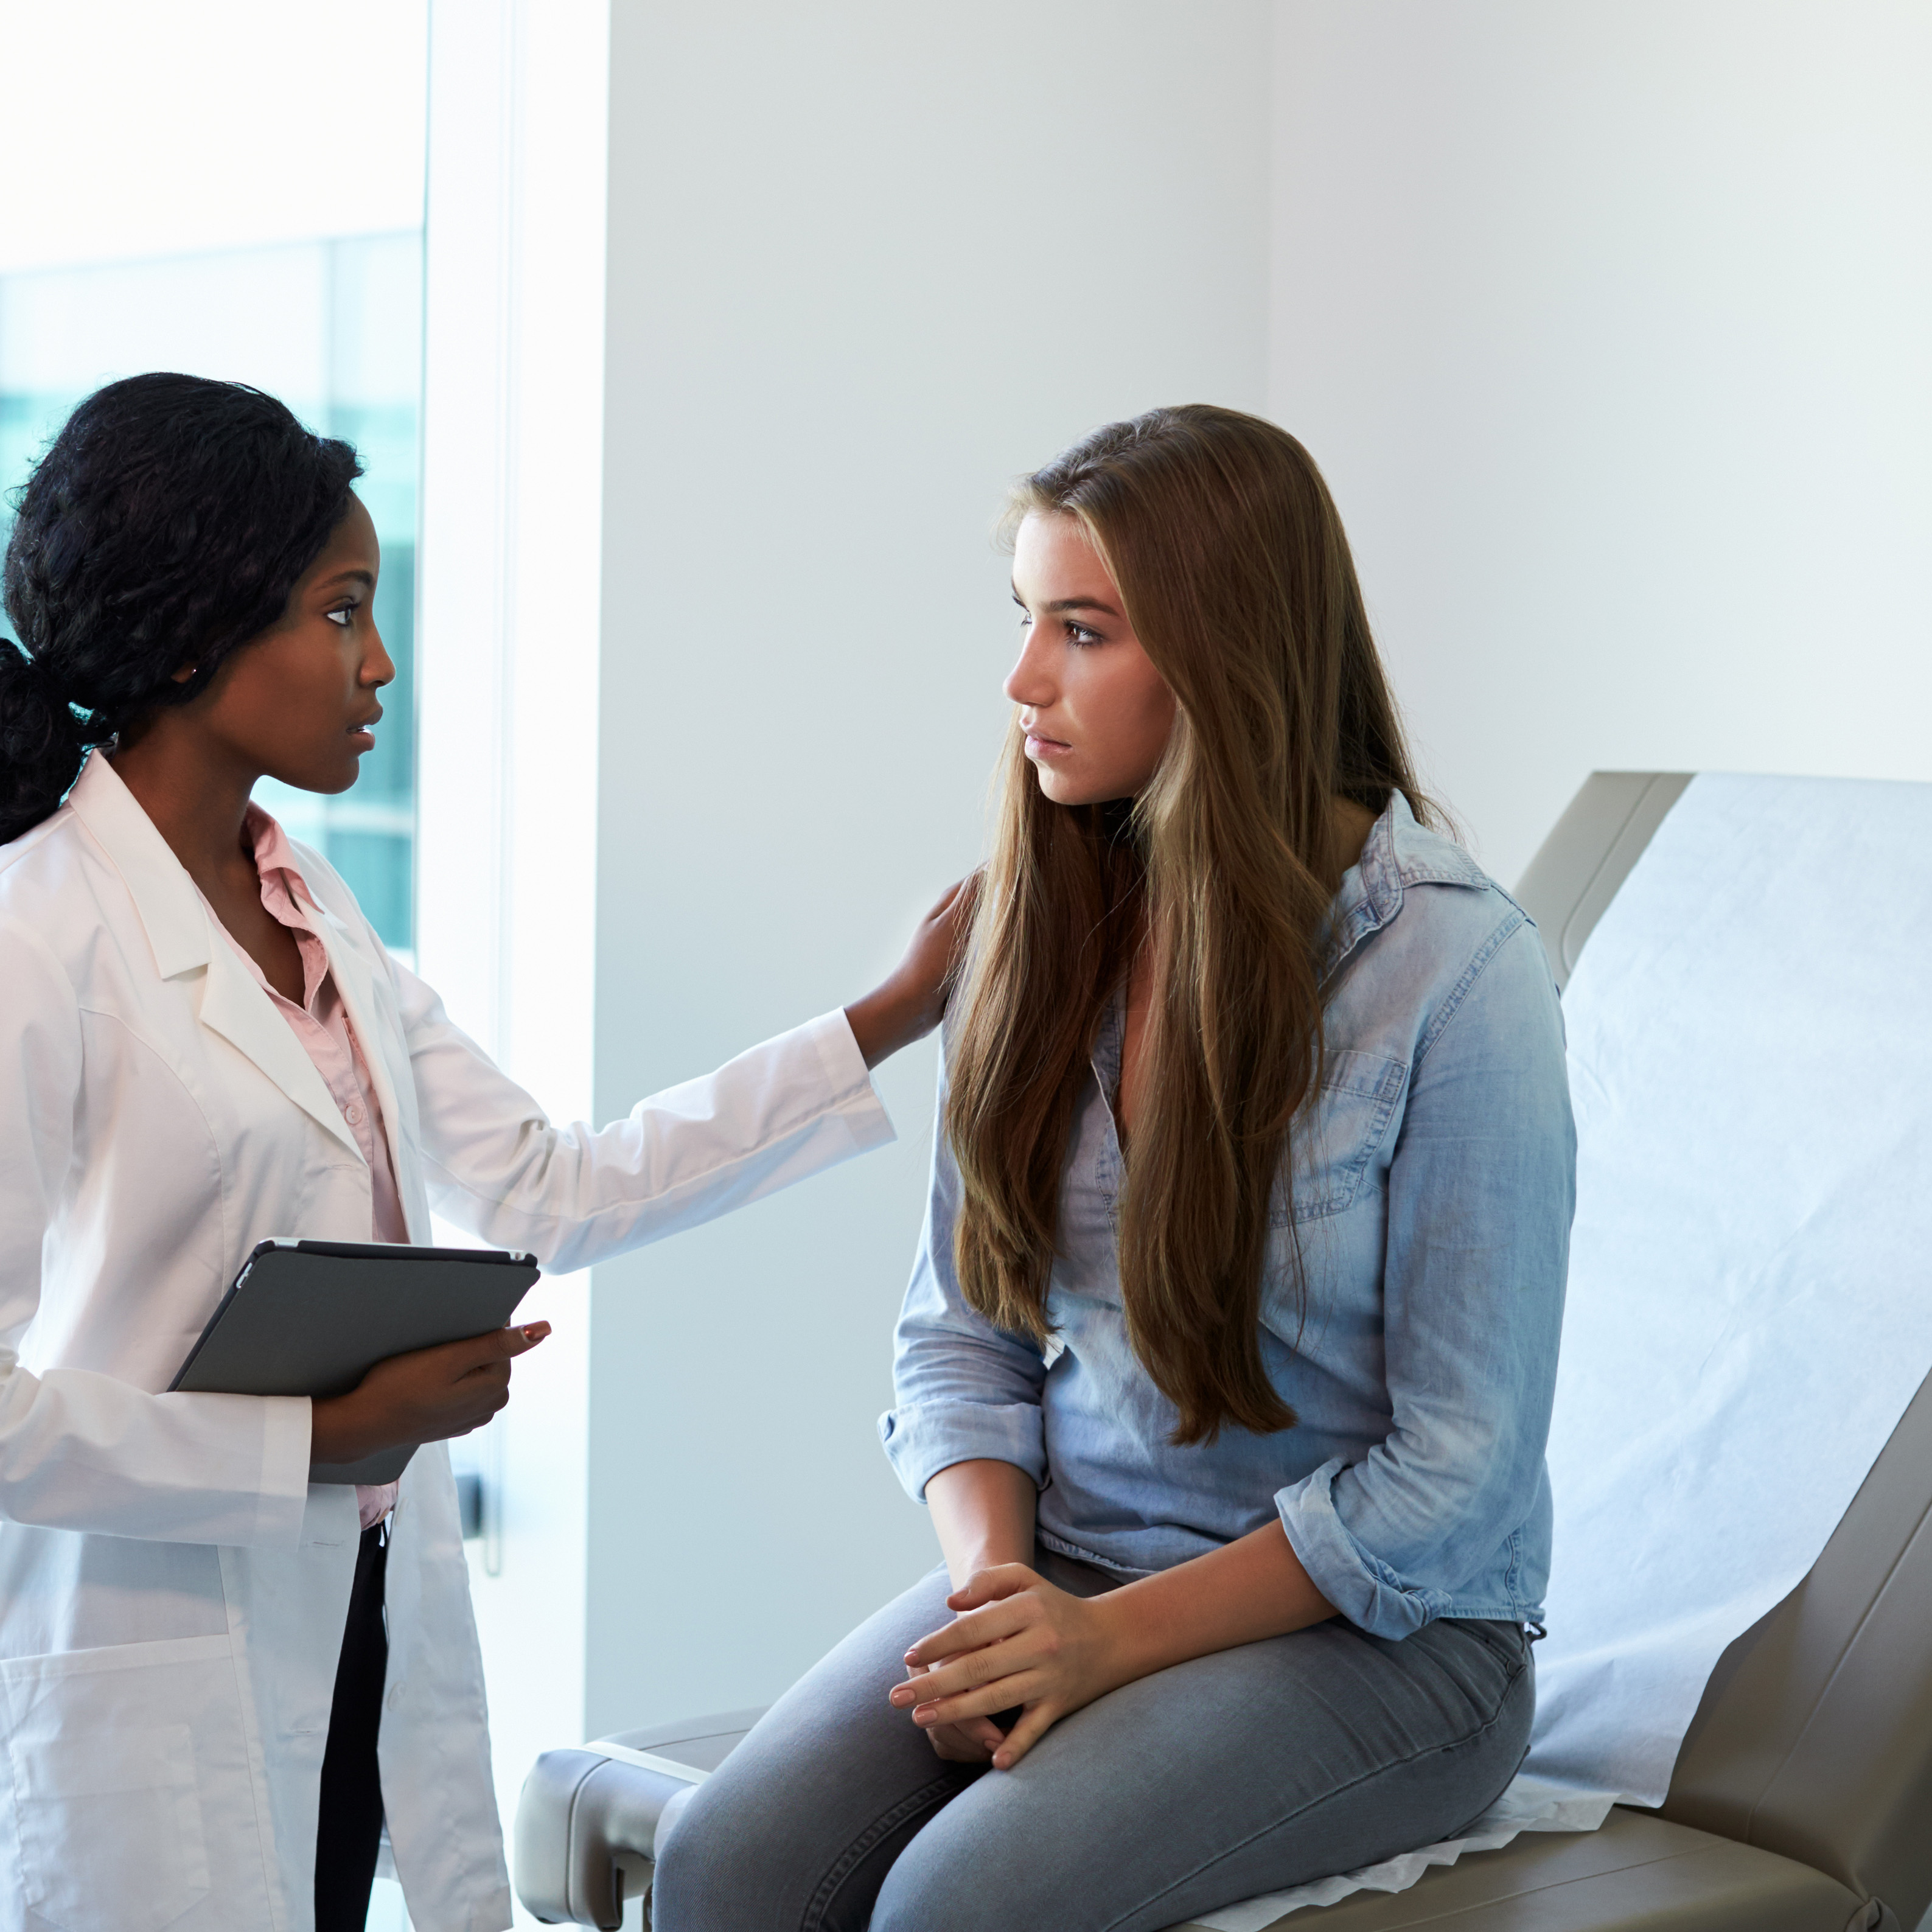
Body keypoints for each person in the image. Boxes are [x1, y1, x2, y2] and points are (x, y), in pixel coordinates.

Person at [0, 373, 963, 1932]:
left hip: (366, 1601)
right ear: (192, 635)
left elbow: (547, 1188)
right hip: (159, 1631)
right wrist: (315, 1437)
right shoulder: (36, 934)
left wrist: (879, 1021)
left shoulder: (308, 902)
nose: (378, 664)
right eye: (338, 612)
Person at [652, 405, 1577, 1931]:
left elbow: (1451, 1486)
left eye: (1081, 631)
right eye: (1024, 620)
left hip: (1387, 1637)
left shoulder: (1456, 977)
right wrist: (997, 1602)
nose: (1023, 681)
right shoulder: (1041, 918)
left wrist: (1101, 1646)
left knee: (962, 1906)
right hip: (1067, 1565)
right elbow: (961, 1334)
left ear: (1229, 655)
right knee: (723, 1865)